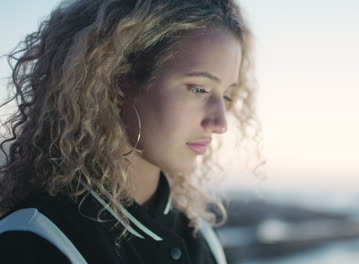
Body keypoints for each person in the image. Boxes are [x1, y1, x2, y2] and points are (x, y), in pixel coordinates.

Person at [0, 0, 262, 263]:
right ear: (118, 83)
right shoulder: (35, 241)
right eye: (198, 89)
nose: (220, 123)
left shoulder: (203, 238)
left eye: (227, 96)